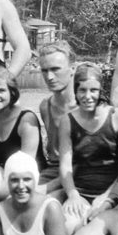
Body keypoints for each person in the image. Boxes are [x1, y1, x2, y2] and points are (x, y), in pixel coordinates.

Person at [57, 64, 118, 227]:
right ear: (75, 91)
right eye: (82, 90)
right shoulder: (68, 121)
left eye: (93, 90)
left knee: (104, 231)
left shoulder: (117, 116)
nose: (88, 96)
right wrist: (73, 194)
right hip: (80, 192)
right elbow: (65, 165)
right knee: (67, 227)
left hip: (114, 192)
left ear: (100, 91)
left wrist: (108, 198)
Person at [0, 66, 44, 200]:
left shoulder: (26, 119)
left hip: (27, 177)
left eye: (1, 91)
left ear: (12, 93)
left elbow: (26, 165)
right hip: (3, 172)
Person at [35, 41, 77, 191]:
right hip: (54, 171)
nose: (50, 77)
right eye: (44, 71)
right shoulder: (45, 106)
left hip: (81, 173)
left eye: (55, 69)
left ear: (72, 69)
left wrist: (47, 188)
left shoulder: (84, 107)